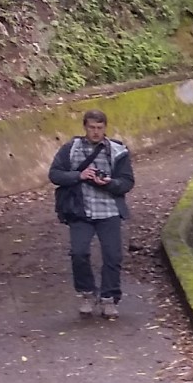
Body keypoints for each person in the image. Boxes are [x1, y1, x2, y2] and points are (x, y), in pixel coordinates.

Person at [48, 109, 135, 319]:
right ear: (85, 127)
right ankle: (87, 293)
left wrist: (109, 183)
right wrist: (79, 175)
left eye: (99, 128)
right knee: (78, 253)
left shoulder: (117, 150)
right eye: (91, 127)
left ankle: (109, 299)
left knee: (113, 256)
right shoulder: (70, 149)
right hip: (81, 210)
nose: (95, 132)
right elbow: (54, 174)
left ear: (105, 128)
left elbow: (127, 182)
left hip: (109, 210)